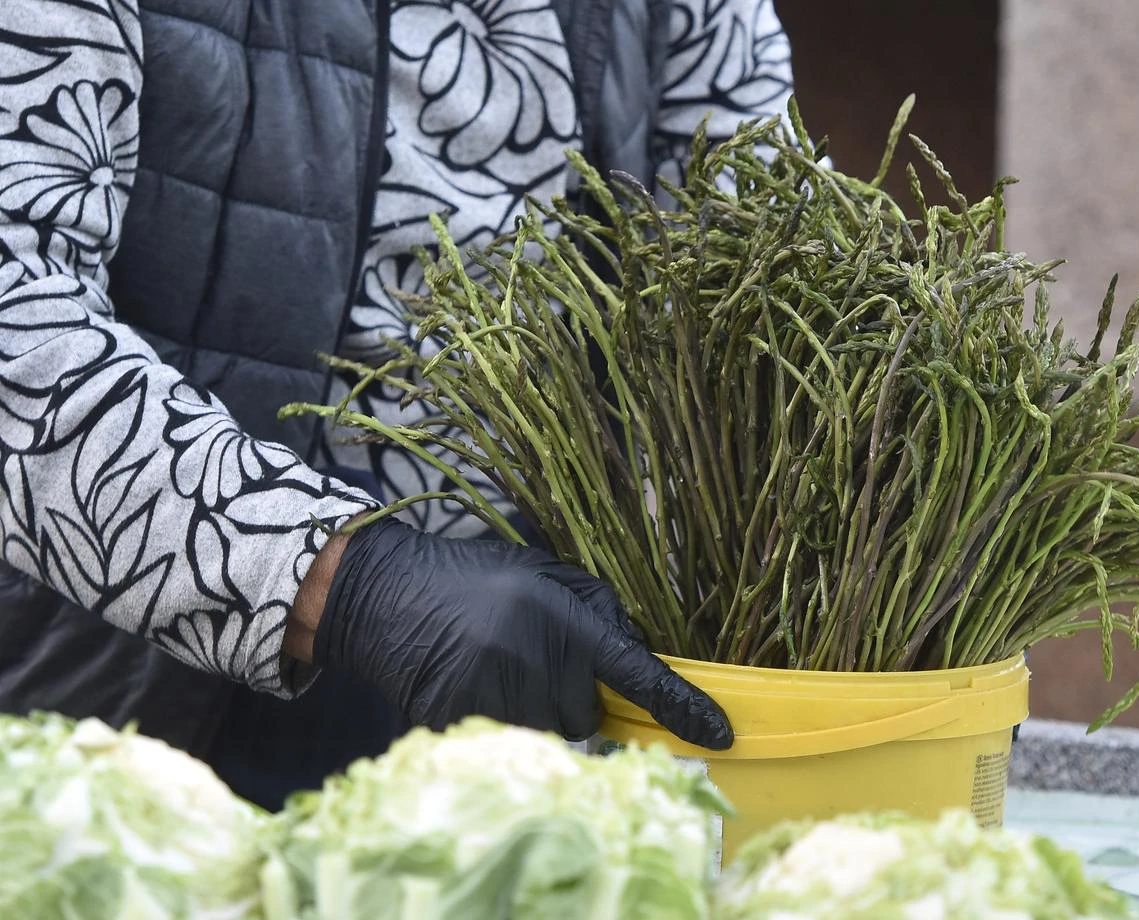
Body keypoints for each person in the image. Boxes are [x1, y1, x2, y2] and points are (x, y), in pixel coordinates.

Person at [0, 0, 793, 806]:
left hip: (535, 652)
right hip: (131, 689)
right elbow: (16, 316)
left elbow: (764, 260)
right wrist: (345, 585)